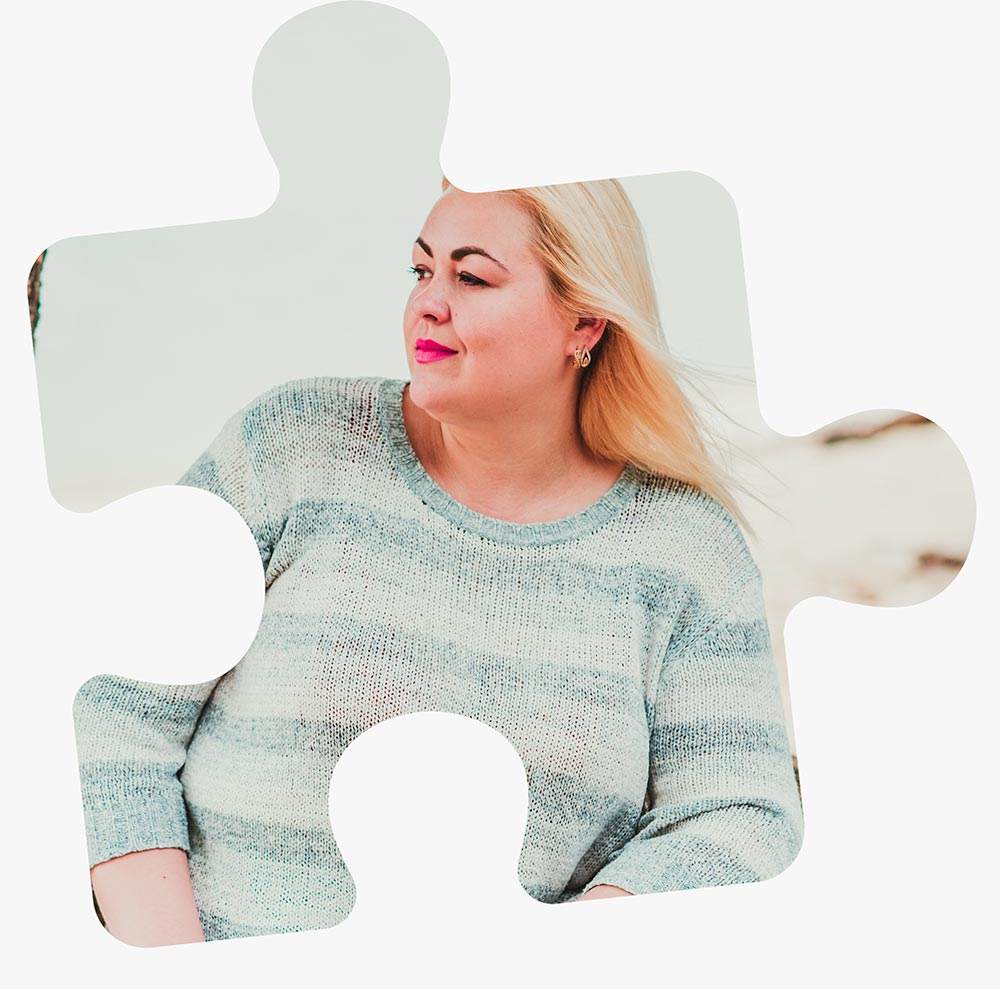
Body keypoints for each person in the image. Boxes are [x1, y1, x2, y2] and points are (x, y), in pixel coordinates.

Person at [74, 177, 804, 946]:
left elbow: (740, 814)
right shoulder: (290, 448)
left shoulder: (688, 553)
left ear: (585, 320)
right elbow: (112, 710)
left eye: (473, 276)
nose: (429, 301)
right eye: (422, 270)